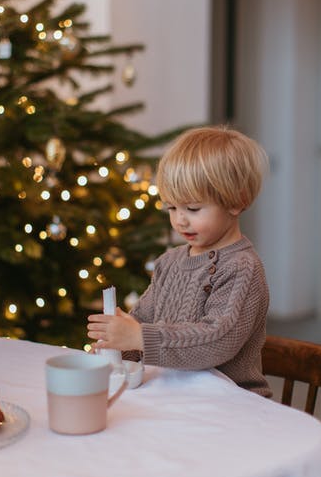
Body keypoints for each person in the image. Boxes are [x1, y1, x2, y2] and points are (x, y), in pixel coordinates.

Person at [87, 125, 271, 396]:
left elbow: (217, 340)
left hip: (232, 403)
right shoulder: (170, 262)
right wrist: (116, 345)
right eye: (171, 207)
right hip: (175, 396)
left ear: (237, 201)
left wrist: (140, 337)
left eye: (193, 208)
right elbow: (142, 318)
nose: (179, 220)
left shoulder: (241, 267)